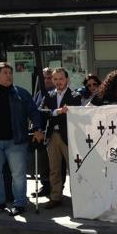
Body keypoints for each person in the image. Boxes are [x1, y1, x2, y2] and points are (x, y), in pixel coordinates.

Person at [0, 62, 45, 216]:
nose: (9, 76)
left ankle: (19, 204)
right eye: (5, 73)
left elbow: (34, 112)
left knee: (18, 174)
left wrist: (38, 128)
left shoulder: (21, 93)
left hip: (16, 141)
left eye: (10, 73)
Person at [38, 67, 82, 209]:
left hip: (69, 135)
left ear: (67, 79)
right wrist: (57, 112)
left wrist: (53, 114)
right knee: (54, 169)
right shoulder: (48, 95)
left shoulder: (75, 96)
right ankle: (55, 196)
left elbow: (75, 114)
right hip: (52, 136)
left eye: (61, 79)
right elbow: (42, 113)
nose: (58, 82)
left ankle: (78, 198)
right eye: (55, 79)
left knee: (73, 169)